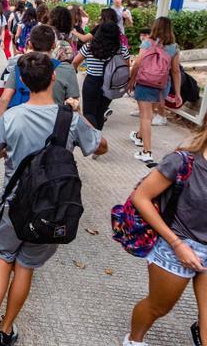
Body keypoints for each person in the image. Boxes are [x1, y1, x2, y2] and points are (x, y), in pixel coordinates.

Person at [0, 52, 107, 346]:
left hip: (13, 204)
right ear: (53, 78)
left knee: (4, 258)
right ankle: (7, 331)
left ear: (22, 81)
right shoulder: (70, 120)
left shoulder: (12, 117)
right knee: (25, 266)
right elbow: (102, 147)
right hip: (50, 208)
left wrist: (5, 151)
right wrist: (77, 114)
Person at [122, 116, 207, 346]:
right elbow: (141, 197)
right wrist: (177, 245)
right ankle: (134, 340)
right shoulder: (183, 161)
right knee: (157, 307)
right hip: (177, 245)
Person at [0, 24, 80, 118]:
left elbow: (5, 99)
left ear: (30, 44)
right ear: (54, 45)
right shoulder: (66, 69)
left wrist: (0, 126)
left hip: (20, 121)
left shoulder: (21, 65)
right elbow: (74, 103)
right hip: (52, 123)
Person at [129, 17, 182, 164]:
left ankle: (147, 152)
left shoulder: (147, 43)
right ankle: (139, 136)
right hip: (161, 86)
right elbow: (176, 71)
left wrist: (132, 80)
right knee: (149, 114)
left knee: (145, 116)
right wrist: (177, 93)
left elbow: (138, 64)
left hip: (145, 83)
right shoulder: (174, 48)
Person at [71, 21, 129, 131]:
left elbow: (75, 62)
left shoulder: (89, 46)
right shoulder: (121, 49)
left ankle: (91, 140)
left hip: (92, 82)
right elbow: (126, 67)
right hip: (110, 83)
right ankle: (97, 139)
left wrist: (74, 72)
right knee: (100, 112)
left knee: (89, 113)